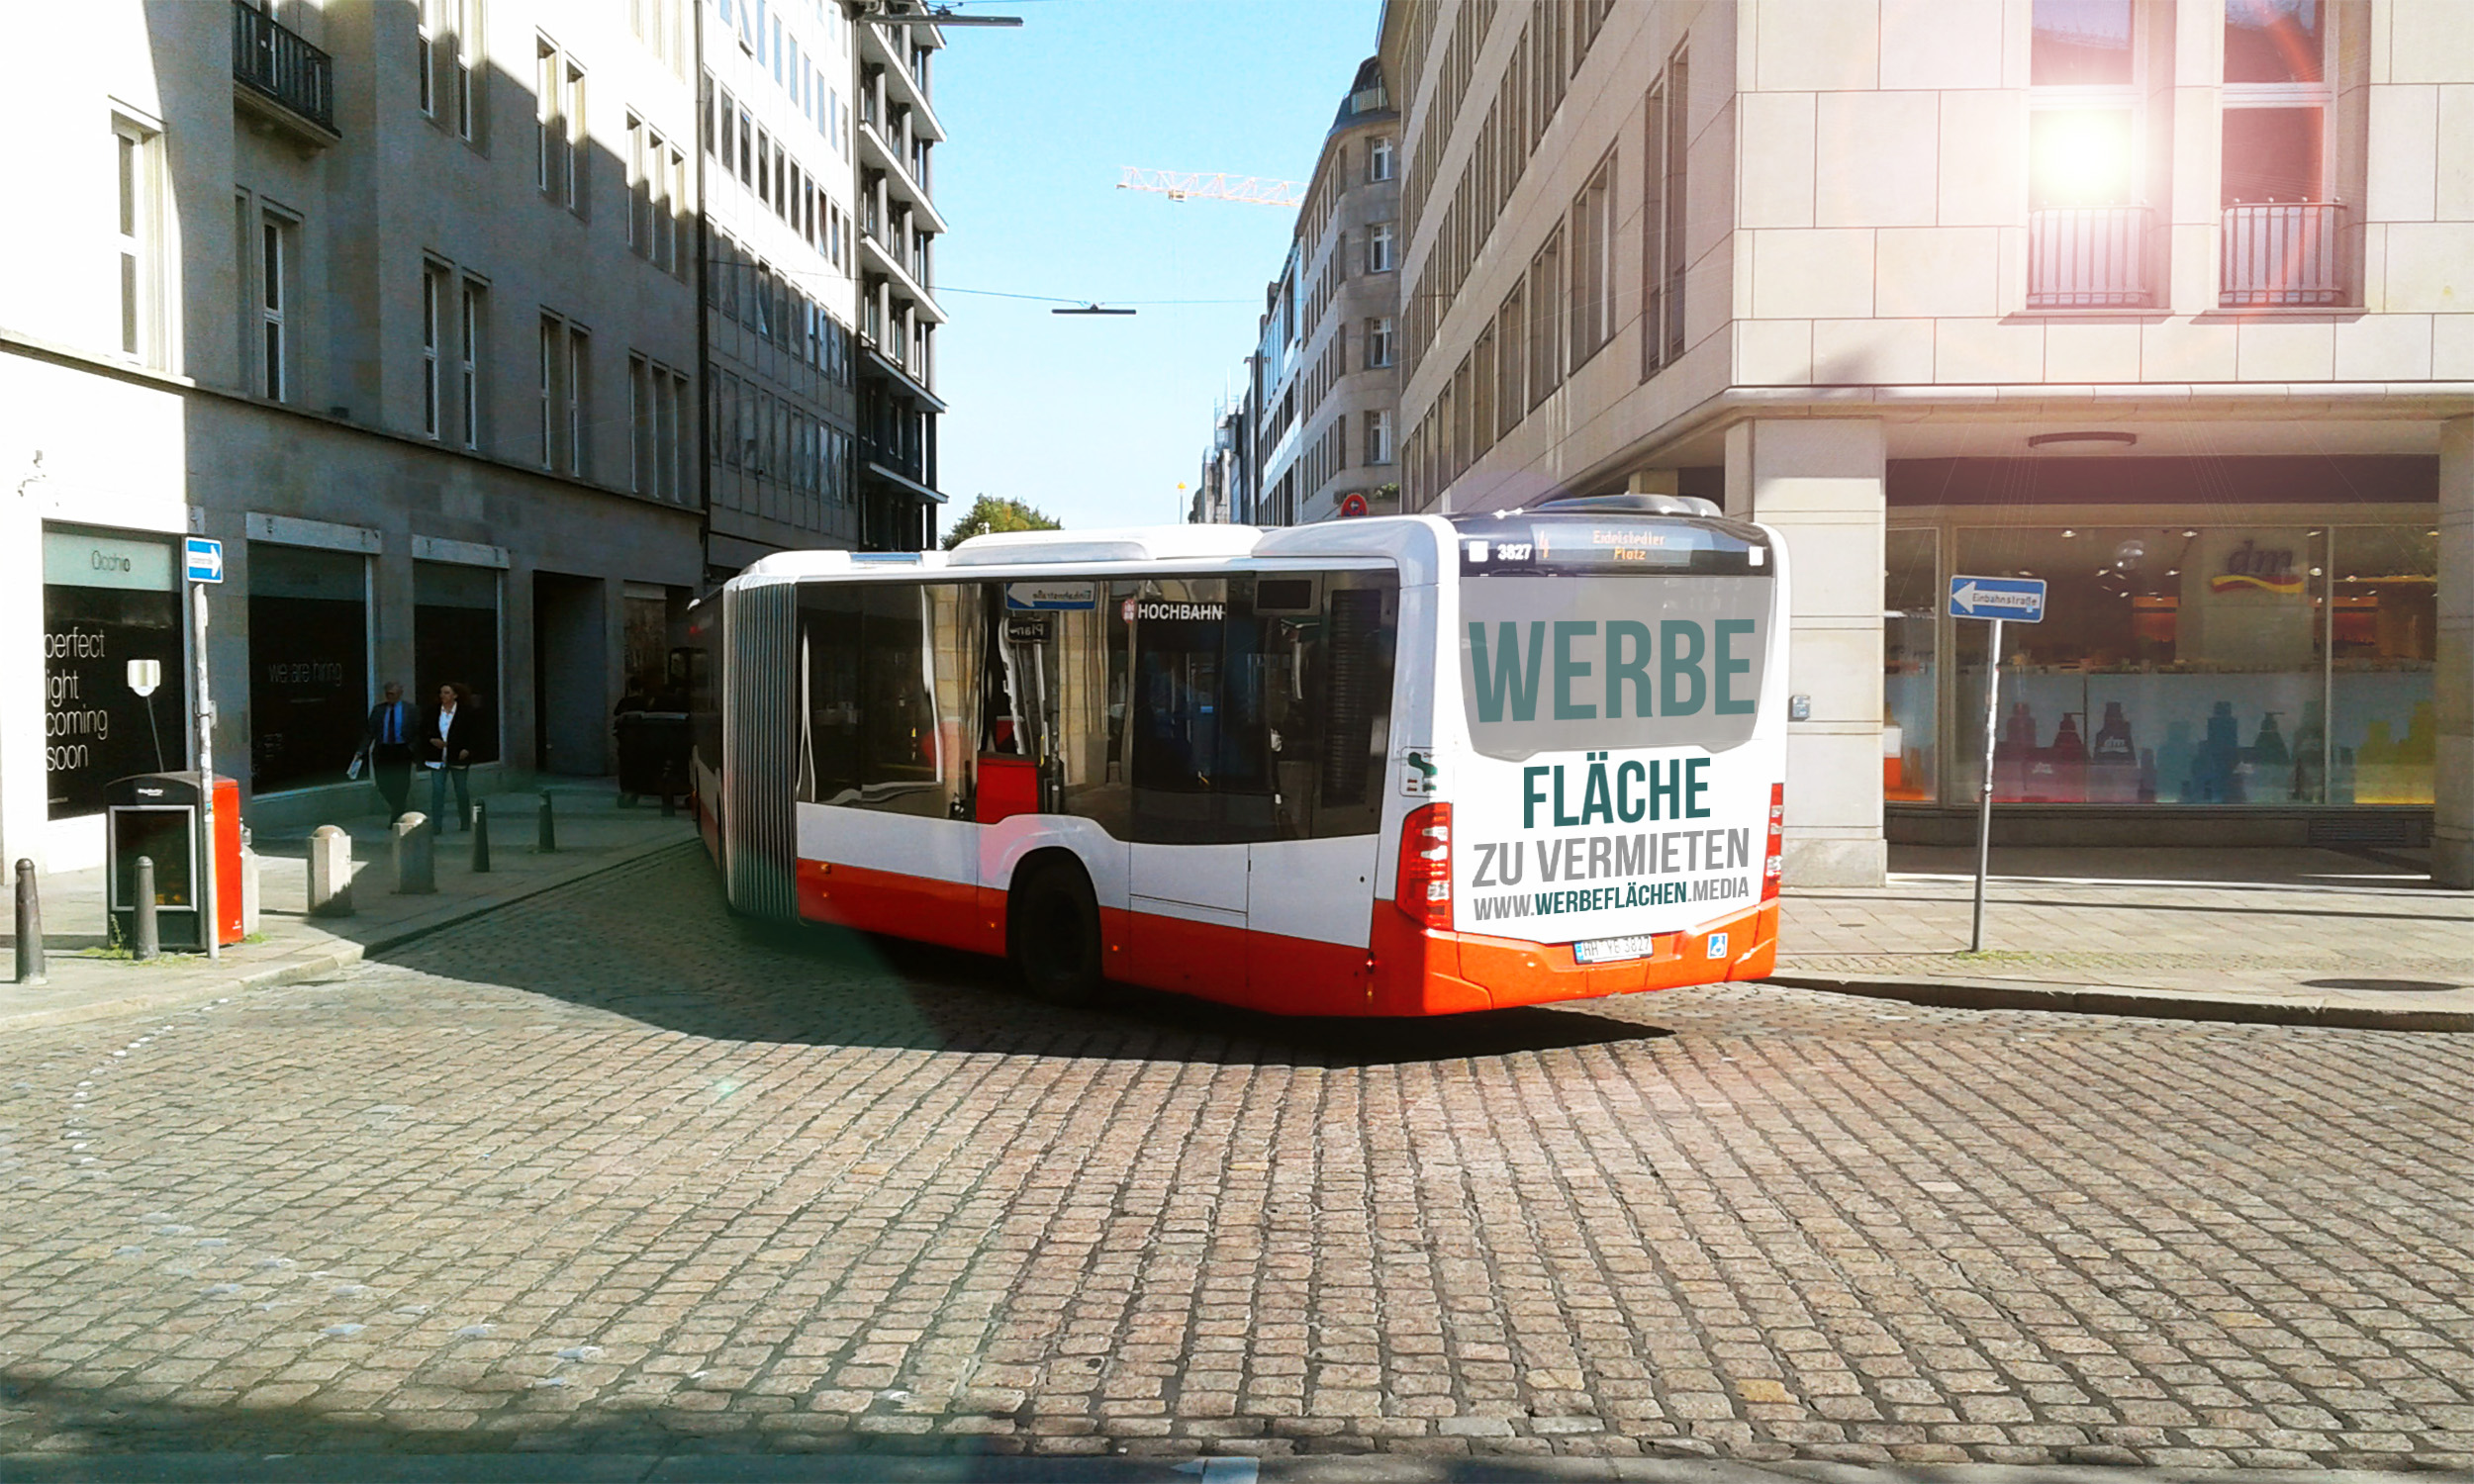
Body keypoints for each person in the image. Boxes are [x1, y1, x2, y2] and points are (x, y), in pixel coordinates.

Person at [427, 682, 481, 831]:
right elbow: (424, 730)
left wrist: (467, 749)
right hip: (437, 757)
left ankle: (465, 822)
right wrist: (432, 740)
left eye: (447, 693)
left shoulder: (465, 712)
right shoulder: (433, 711)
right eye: (441, 693)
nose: (443, 696)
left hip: (458, 756)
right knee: (437, 790)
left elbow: (474, 733)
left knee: (461, 790)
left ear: (455, 695)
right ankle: (437, 825)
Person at [362, 682, 417, 820]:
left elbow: (418, 730)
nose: (390, 697)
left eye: (393, 694)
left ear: (400, 694)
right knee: (383, 783)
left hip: (402, 749)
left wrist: (413, 748)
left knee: (402, 783)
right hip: (383, 749)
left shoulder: (410, 710)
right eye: (387, 694)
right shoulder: (379, 710)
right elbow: (370, 731)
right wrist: (361, 750)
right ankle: (397, 806)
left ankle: (398, 812)